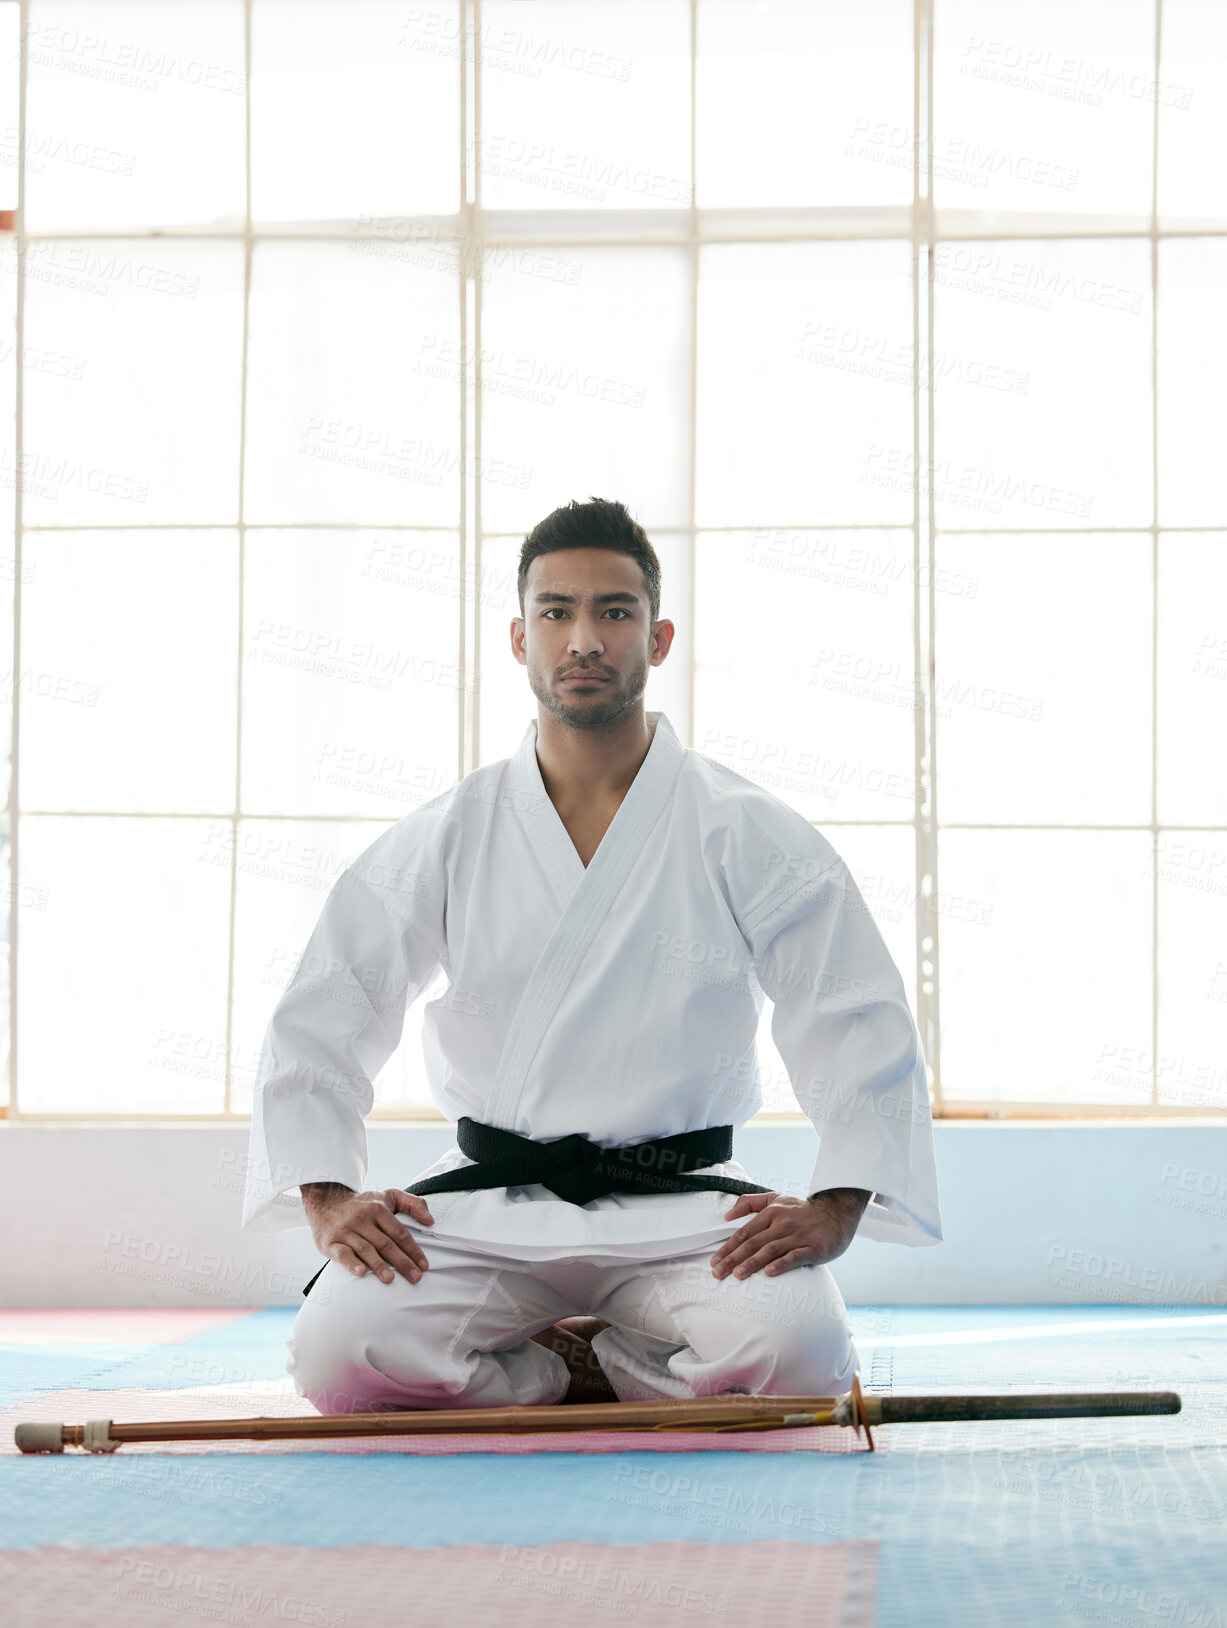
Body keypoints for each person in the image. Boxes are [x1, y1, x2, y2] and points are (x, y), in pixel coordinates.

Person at [242, 497, 942, 1413]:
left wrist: (836, 1204)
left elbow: (853, 1013)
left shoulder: (742, 828)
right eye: (555, 612)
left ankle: (609, 1360)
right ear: (517, 637)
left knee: (798, 1355)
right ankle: (560, 1368)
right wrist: (330, 1198)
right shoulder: (451, 832)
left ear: (656, 639)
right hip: (494, 1207)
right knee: (340, 1357)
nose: (583, 638)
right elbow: (329, 1006)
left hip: (685, 1210)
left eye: (613, 612)